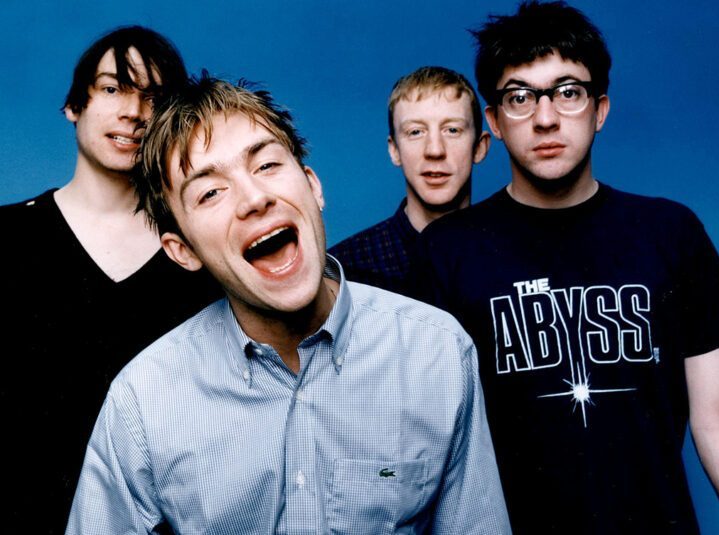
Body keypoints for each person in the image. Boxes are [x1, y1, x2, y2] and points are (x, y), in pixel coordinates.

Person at [65, 75, 511, 534]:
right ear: (183, 251)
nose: (255, 199)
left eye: (266, 165)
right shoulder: (143, 401)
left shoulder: (438, 352)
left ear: (313, 187)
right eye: (210, 192)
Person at [415, 1, 719, 533]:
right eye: (519, 97)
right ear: (494, 121)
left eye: (568, 92)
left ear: (599, 109)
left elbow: (717, 420)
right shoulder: (447, 251)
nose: (544, 118)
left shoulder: (670, 232)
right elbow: (429, 440)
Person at [0, 27, 218, 532]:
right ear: (73, 105)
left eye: (154, 97)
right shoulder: (7, 237)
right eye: (113, 88)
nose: (133, 112)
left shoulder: (200, 251)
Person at [329, 66, 490, 295]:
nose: (435, 150)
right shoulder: (343, 272)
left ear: (480, 147)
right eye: (415, 132)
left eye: (452, 130)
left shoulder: (513, 251)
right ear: (394, 150)